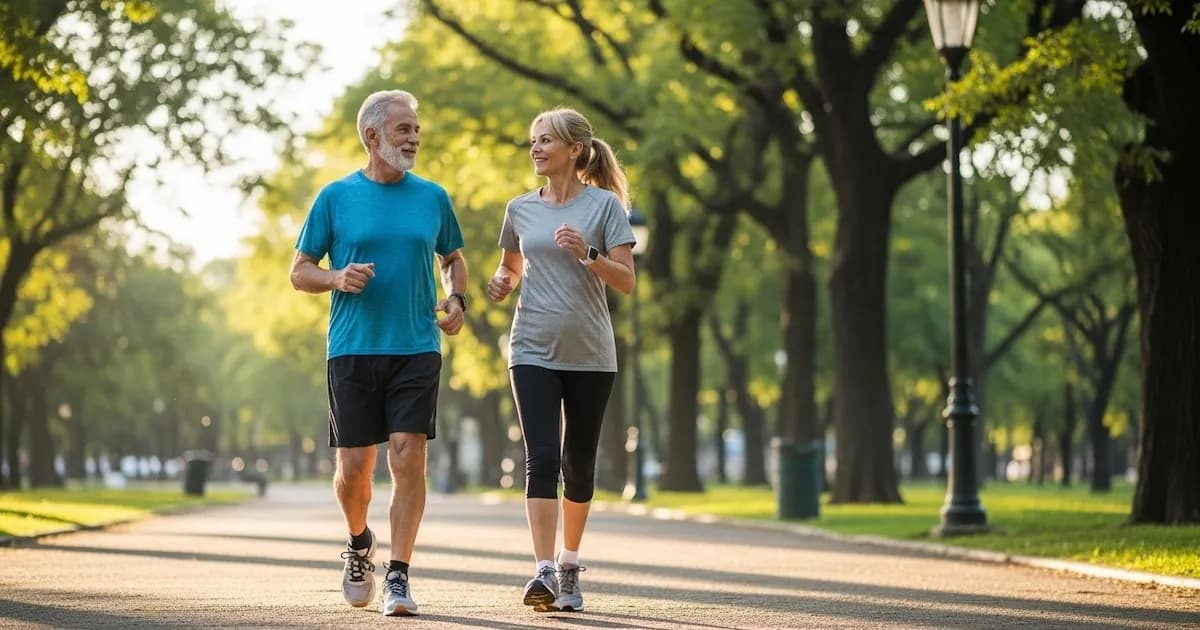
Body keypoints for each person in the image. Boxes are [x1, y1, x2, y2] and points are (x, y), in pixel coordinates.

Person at [289, 89, 467, 617]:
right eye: (402, 129)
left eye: (416, 130)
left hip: (416, 345)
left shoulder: (432, 197)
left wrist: (457, 297)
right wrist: (336, 277)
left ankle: (400, 574)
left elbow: (452, 258)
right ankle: (359, 542)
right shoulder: (335, 197)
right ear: (372, 136)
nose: (413, 139)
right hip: (353, 348)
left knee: (409, 454)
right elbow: (299, 272)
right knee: (354, 470)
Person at [486, 108, 637, 612]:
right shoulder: (519, 209)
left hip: (591, 353)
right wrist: (501, 283)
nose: (535, 148)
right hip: (530, 347)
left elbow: (626, 280)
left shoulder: (605, 206)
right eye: (533, 140)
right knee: (542, 458)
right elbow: (510, 267)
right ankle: (544, 568)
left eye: (545, 140)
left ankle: (569, 561)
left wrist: (588, 253)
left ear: (574, 149)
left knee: (578, 464)